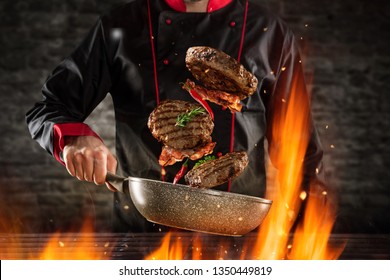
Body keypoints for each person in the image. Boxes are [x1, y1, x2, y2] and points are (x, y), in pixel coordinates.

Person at [26, 0, 326, 233]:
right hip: (141, 236)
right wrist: (74, 139)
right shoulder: (120, 26)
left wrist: (307, 231)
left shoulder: (270, 32)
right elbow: (49, 108)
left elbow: (299, 150)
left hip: (242, 234)